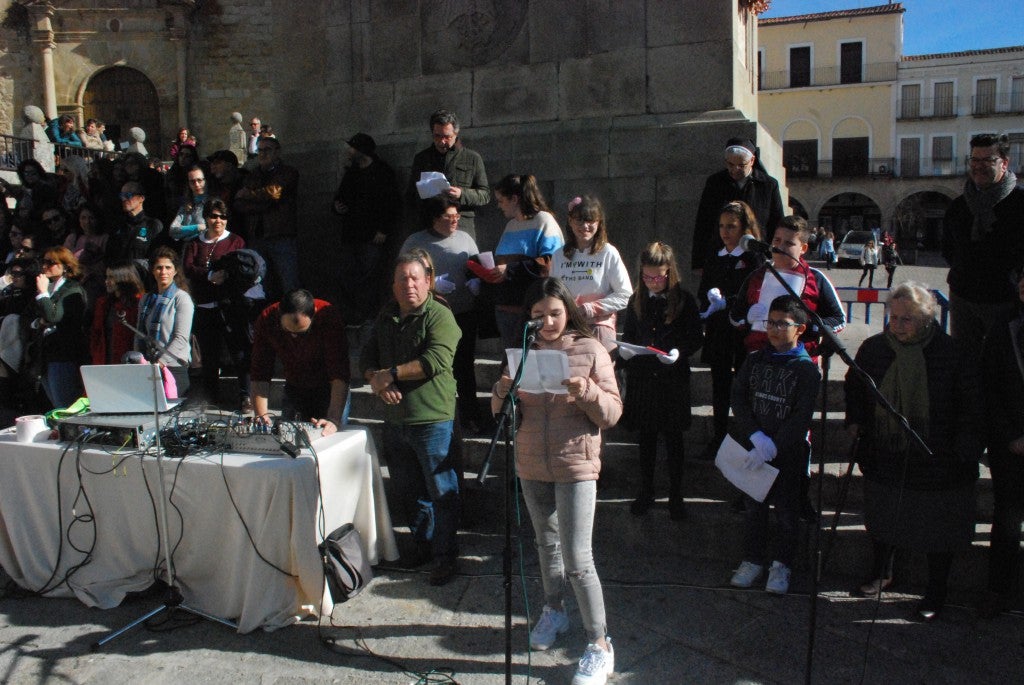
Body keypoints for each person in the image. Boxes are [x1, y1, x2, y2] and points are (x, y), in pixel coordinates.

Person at [491, 277, 621, 685]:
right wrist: (501, 390)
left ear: (569, 311)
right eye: (538, 315)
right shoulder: (524, 352)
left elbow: (612, 412)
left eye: (554, 313)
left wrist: (585, 390)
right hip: (530, 463)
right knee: (545, 545)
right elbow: (500, 410)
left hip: (575, 465)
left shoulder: (591, 349)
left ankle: (600, 643)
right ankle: (554, 610)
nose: (547, 322)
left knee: (578, 558)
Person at [845, 283, 982, 621]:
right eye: (894, 317)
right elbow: (855, 388)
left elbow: (972, 403)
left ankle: (936, 590)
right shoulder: (874, 349)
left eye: (907, 319)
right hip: (886, 451)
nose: (898, 325)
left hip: (939, 454)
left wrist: (965, 447)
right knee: (884, 515)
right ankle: (882, 571)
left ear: (925, 320)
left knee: (938, 528)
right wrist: (856, 421)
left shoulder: (952, 353)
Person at [360, 252, 462, 586]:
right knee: (409, 491)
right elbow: (366, 357)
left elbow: (435, 360)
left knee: (441, 491)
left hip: (432, 420)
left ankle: (446, 556)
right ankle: (423, 546)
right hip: (395, 420)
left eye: (416, 278)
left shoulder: (440, 315)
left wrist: (389, 375)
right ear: (393, 285)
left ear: (428, 281)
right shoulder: (386, 315)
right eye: (402, 278)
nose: (410, 284)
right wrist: (377, 381)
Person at [729, 295, 821, 595]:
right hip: (754, 451)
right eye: (771, 322)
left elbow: (801, 414)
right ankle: (752, 559)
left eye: (783, 324)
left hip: (789, 454)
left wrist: (775, 445)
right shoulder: (755, 359)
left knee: (786, 512)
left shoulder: (806, 370)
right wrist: (755, 436)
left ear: (800, 329)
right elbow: (739, 397)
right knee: (754, 508)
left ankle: (781, 564)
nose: (774, 329)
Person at [620, 242, 703, 518]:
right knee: (646, 440)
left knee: (673, 440)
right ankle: (646, 490)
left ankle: (676, 494)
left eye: (659, 277)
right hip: (643, 380)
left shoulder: (684, 300)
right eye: (647, 277)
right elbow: (631, 336)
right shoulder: (636, 301)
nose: (653, 282)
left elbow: (695, 337)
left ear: (670, 273)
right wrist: (624, 353)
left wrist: (679, 352)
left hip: (672, 381)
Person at [400, 197, 484, 432]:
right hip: (431, 314)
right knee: (434, 365)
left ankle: (471, 416)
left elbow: (475, 265)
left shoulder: (465, 238)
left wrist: (477, 280)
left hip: (464, 312)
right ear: (434, 218)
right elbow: (403, 273)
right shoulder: (416, 241)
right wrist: (432, 283)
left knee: (464, 365)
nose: (455, 221)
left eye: (457, 217)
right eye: (449, 217)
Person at [942, 133, 1024, 351]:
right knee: (964, 362)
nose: (979, 166)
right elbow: (948, 248)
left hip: (1005, 302)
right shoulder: (959, 206)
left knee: (1004, 364)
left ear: (1004, 163)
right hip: (963, 298)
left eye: (987, 160)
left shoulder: (1019, 203)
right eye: (975, 160)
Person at [697, 201, 761, 459]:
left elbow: (754, 292)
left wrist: (731, 302)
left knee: (745, 387)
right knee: (719, 385)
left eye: (732, 226)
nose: (726, 232)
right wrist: (710, 299)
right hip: (719, 331)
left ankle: (748, 438)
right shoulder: (715, 255)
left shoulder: (753, 257)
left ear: (744, 228)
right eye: (722, 226)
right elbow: (704, 288)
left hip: (743, 331)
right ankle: (719, 436)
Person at [730, 215, 845, 358]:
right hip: (758, 359)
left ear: (803, 248)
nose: (780, 247)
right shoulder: (755, 277)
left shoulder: (816, 278)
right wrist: (747, 319)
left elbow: (839, 319)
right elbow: (735, 316)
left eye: (789, 243)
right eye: (777, 241)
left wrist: (809, 325)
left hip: (799, 360)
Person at [978, 268, 1024, 618]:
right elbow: (988, 384)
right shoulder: (1003, 324)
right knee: (1007, 519)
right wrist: (1010, 435)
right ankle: (997, 591)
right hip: (1011, 442)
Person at [250, 289, 349, 433]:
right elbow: (260, 372)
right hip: (295, 385)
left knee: (330, 437)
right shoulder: (267, 320)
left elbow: (339, 372)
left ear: (314, 313)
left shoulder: (328, 316)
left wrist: (333, 419)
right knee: (288, 440)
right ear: (279, 313)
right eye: (288, 330)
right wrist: (261, 415)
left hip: (329, 386)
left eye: (302, 332)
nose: (294, 336)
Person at [182, 199, 249, 408]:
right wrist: (209, 275)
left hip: (229, 306)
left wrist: (224, 275)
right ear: (206, 218)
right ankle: (212, 398)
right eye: (213, 216)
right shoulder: (195, 243)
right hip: (204, 307)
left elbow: (241, 266)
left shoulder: (235, 241)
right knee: (209, 357)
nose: (217, 220)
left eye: (222, 216)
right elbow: (188, 268)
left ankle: (246, 396)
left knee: (239, 352)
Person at [486, 173, 564, 349]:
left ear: (514, 199)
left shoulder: (544, 221)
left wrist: (510, 269)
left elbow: (549, 263)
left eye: (501, 200)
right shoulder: (510, 225)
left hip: (531, 311)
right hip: (506, 310)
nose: (498, 206)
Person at [331, 132, 402, 324]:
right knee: (346, 276)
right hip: (350, 234)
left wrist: (384, 230)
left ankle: (368, 317)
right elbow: (340, 197)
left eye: (352, 148)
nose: (349, 151)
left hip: (371, 236)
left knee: (368, 279)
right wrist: (337, 206)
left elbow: (392, 204)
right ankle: (351, 316)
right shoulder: (352, 172)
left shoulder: (382, 172)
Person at [550, 195, 632, 351]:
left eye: (590, 221)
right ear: (570, 221)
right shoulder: (559, 255)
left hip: (599, 328)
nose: (585, 226)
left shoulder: (608, 252)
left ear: (599, 223)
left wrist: (590, 308)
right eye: (579, 220)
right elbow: (552, 295)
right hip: (567, 329)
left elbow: (625, 295)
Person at [691, 137, 784, 271]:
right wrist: (699, 262)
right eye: (730, 164)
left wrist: (774, 256)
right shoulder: (715, 183)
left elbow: (776, 222)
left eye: (741, 165)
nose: (735, 169)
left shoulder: (768, 185)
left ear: (752, 160)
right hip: (721, 256)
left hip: (756, 257)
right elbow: (703, 222)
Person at [233, 136, 300, 301]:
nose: (263, 154)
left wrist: (250, 195)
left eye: (267, 150)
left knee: (289, 282)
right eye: (260, 150)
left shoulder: (288, 172)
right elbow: (239, 204)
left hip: (280, 236)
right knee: (262, 283)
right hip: (257, 237)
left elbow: (274, 193)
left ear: (277, 152)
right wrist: (261, 202)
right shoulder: (253, 175)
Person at [406, 108, 490, 239]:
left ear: (456, 134)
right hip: (429, 224)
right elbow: (411, 195)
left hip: (460, 226)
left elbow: (485, 195)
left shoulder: (472, 158)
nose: (442, 141)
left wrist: (462, 194)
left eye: (447, 137)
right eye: (437, 136)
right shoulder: (422, 158)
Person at [30, 247, 88, 409]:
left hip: (64, 356)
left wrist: (42, 293)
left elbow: (53, 316)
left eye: (51, 262)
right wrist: (38, 322)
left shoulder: (71, 289)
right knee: (56, 406)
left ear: (65, 266)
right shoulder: (48, 286)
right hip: (46, 355)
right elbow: (33, 316)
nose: (45, 266)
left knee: (65, 406)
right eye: (44, 261)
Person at [136, 246, 194, 394]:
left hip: (173, 367)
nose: (163, 272)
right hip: (148, 366)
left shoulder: (181, 298)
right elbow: (139, 333)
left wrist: (161, 363)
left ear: (175, 271)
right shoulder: (146, 299)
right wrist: (139, 362)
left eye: (168, 267)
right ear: (152, 270)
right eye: (159, 268)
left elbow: (180, 338)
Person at [90, 262, 144, 365]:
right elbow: (96, 334)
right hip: (104, 361)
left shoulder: (138, 303)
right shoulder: (103, 303)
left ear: (123, 278)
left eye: (111, 278)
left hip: (128, 362)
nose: (106, 281)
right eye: (106, 277)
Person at [169, 164, 210, 242]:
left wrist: (184, 231)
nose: (196, 184)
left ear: (206, 180)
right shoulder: (187, 204)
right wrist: (198, 227)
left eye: (199, 180)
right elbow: (173, 230)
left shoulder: (213, 203)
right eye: (192, 181)